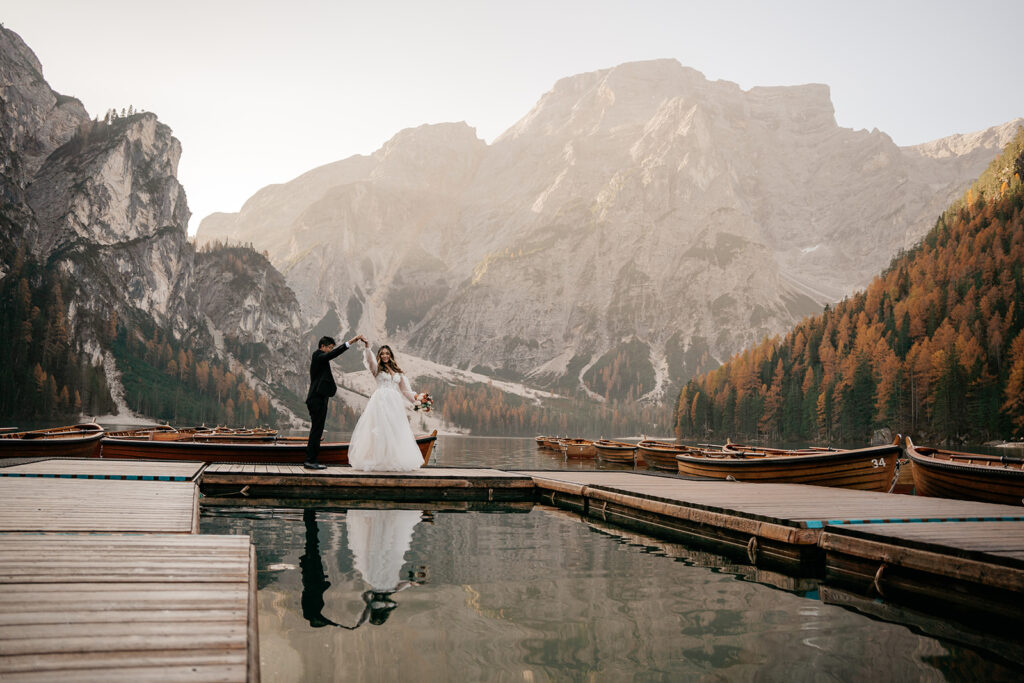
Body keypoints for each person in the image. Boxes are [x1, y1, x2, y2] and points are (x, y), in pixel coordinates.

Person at [347, 342, 427, 471]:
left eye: (387, 353)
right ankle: (378, 460)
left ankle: (393, 459)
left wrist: (418, 400)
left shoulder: (397, 372)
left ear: (391, 355)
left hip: (394, 402)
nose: (385, 356)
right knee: (380, 430)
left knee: (395, 429)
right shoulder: (376, 368)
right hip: (380, 402)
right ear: (379, 355)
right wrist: (367, 347)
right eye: (382, 353)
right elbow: (369, 360)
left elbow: (406, 391)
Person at [305, 333, 365, 469]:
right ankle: (310, 461)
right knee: (316, 430)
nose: (331, 350)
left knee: (317, 430)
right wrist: (350, 342)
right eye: (330, 348)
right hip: (316, 399)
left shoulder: (321, 359)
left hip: (319, 398)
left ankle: (311, 459)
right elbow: (331, 355)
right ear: (322, 347)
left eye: (332, 348)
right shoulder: (318, 355)